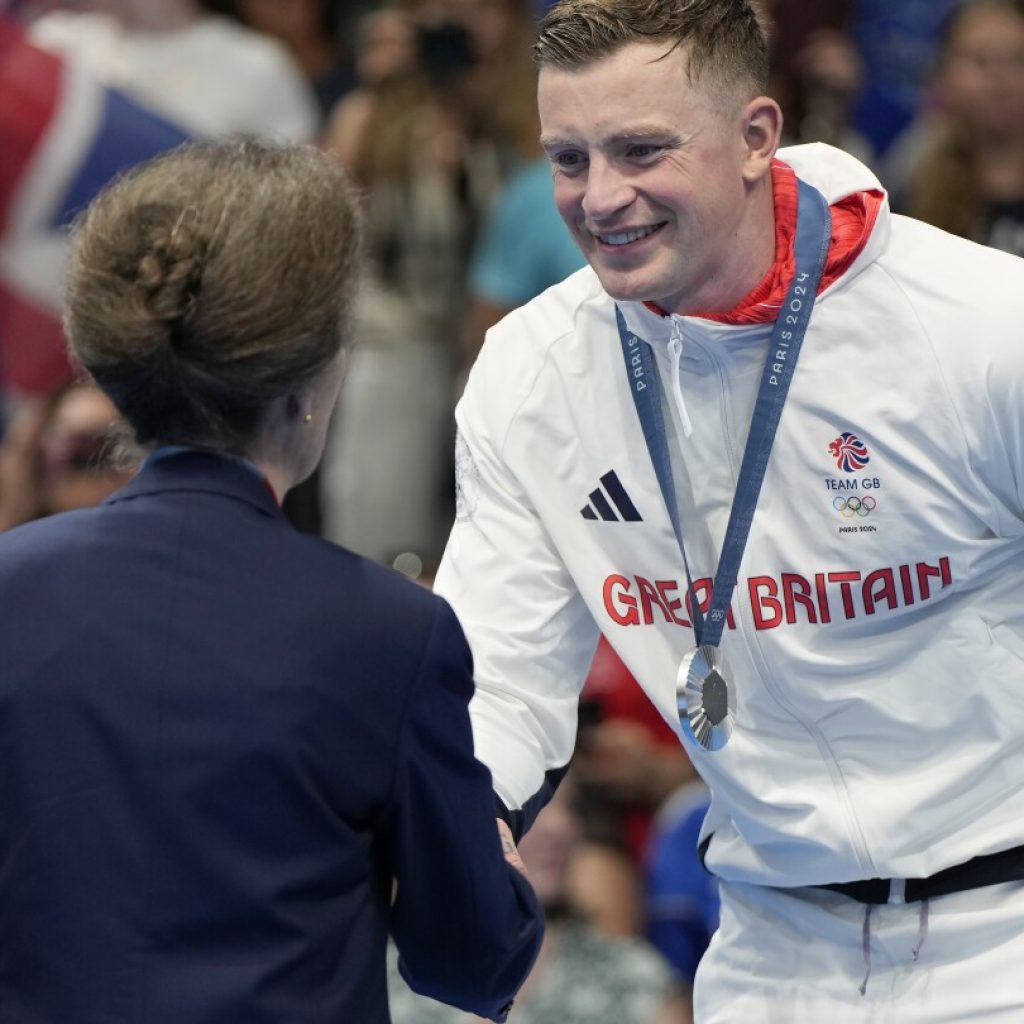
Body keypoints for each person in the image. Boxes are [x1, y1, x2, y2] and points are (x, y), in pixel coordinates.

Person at [432, 0, 1024, 1020]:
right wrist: (463, 811)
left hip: (1001, 937)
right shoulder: (531, 373)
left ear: (755, 137)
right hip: (763, 951)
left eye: (639, 150)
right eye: (568, 159)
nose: (600, 198)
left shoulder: (980, 329)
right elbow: (493, 673)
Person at [0, 139, 542, 1024]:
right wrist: (492, 850)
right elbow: (472, 962)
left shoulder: (9, 591)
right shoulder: (390, 633)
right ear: (313, 380)